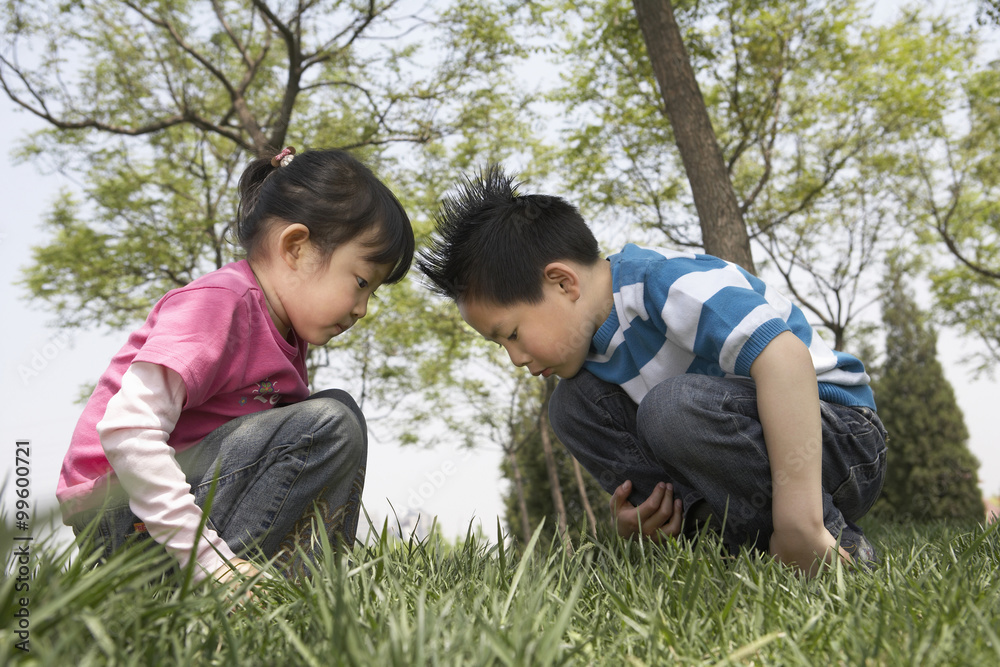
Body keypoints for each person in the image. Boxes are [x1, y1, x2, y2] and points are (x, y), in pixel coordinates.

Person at [417, 165, 887, 575]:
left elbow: (784, 359)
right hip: (738, 466)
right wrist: (647, 518)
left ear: (562, 282)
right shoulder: (592, 366)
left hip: (837, 442)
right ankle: (718, 542)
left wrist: (799, 520)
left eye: (512, 333)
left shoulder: (666, 283)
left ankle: (825, 540)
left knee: (670, 407)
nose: (515, 358)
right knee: (570, 406)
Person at [57, 146, 414, 586]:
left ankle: (305, 594)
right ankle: (219, 589)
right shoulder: (219, 304)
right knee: (330, 424)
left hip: (173, 507)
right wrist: (209, 566)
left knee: (336, 415)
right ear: (296, 247)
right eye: (361, 282)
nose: (362, 309)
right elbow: (127, 431)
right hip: (121, 510)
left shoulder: (285, 333)